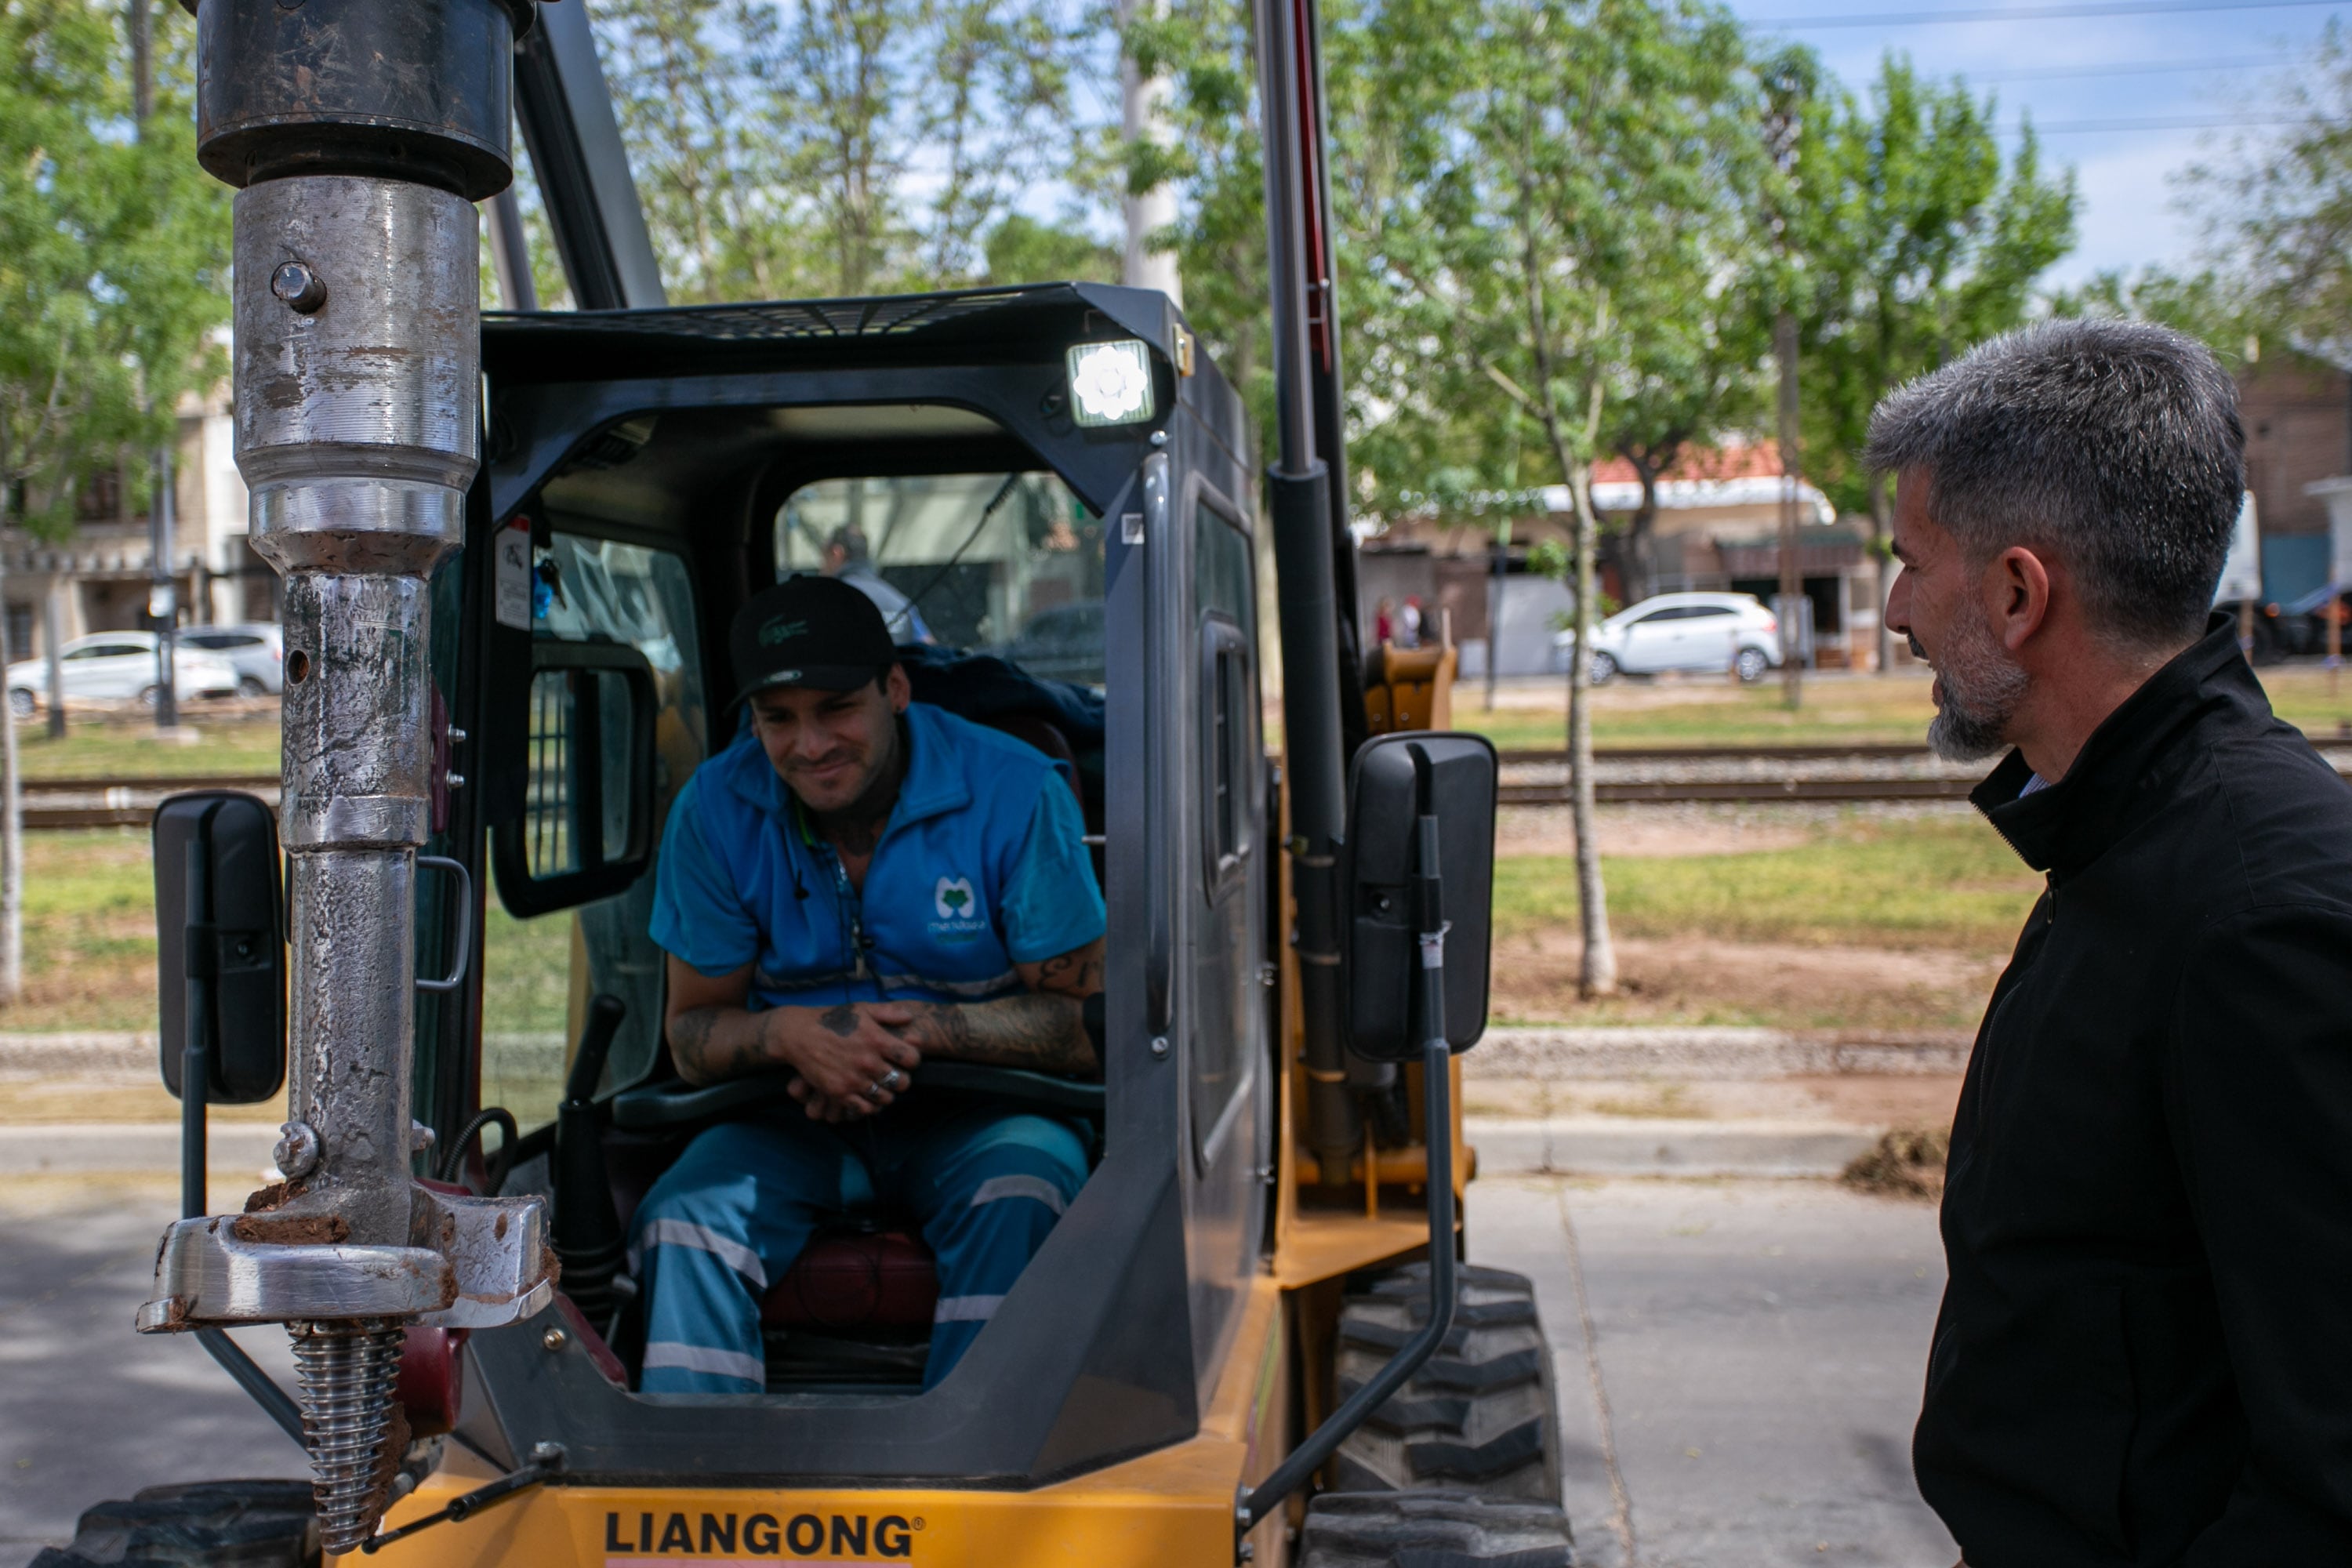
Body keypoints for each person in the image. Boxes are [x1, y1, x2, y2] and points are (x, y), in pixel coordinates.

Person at [1876, 319, 2352, 1563]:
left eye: (1912, 564)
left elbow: (2334, 1467)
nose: (1892, 613)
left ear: (2020, 594)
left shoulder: (2261, 914)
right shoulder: (2129, 835)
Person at [628, 575, 1105, 1394]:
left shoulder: (1017, 791)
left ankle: (977, 1481)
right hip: (785, 1120)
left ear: (895, 688)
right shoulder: (713, 811)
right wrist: (789, 1037)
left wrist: (915, 1032)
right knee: (682, 1217)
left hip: (984, 1114)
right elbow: (693, 1034)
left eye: (836, 708)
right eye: (779, 718)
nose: (809, 745)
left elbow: (1084, 1024)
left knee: (1025, 1187)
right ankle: (702, 1485)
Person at [823, 522, 931, 643]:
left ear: (836, 553)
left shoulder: (828, 600)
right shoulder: (899, 602)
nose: (821, 567)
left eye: (823, 557)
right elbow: (930, 649)